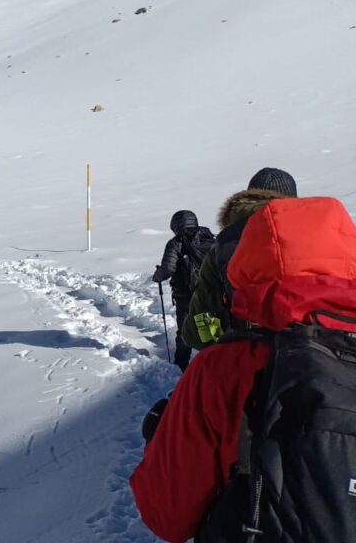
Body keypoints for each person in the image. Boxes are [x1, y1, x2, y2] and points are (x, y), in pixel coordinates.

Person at [130, 196, 356, 543]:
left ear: (245, 263)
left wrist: (157, 440)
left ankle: (177, 358)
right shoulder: (206, 236)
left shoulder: (224, 368)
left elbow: (166, 515)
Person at [183, 167, 298, 350]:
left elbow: (200, 327)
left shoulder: (223, 245)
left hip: (246, 359)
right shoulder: (322, 236)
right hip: (319, 359)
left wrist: (218, 344)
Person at [151, 210, 214, 371]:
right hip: (209, 292)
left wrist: (157, 276)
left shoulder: (176, 242)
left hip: (185, 295)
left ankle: (181, 365)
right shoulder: (210, 238)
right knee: (209, 327)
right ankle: (213, 362)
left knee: (186, 328)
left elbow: (168, 269)